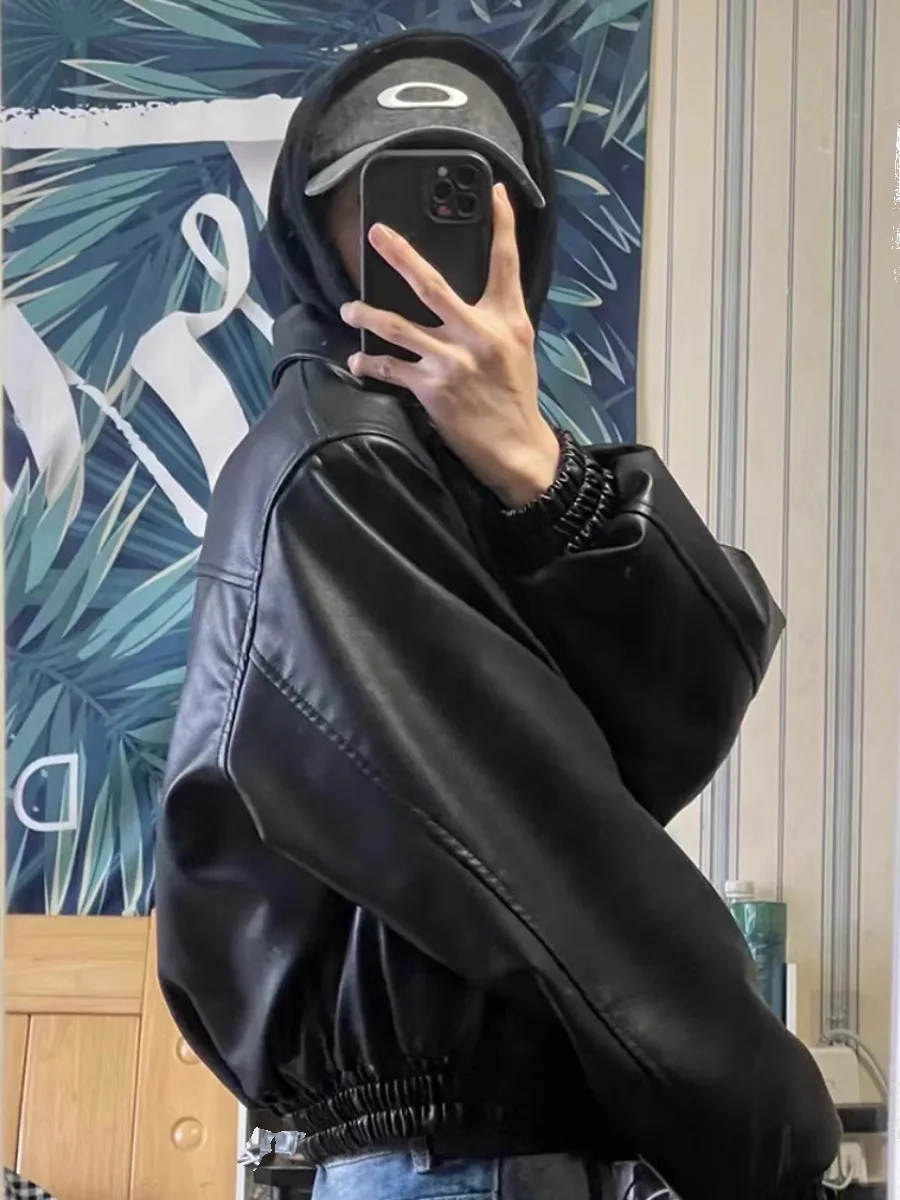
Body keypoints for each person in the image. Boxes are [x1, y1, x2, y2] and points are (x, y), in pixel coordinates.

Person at [154, 29, 840, 1200]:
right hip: (453, 1160)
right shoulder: (338, 462)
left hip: (483, 1150)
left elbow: (672, 722)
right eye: (382, 198)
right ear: (314, 231)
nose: (425, 241)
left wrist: (540, 468)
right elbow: (539, 840)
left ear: (524, 230)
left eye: (471, 198)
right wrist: (769, 1118)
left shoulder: (460, 461)